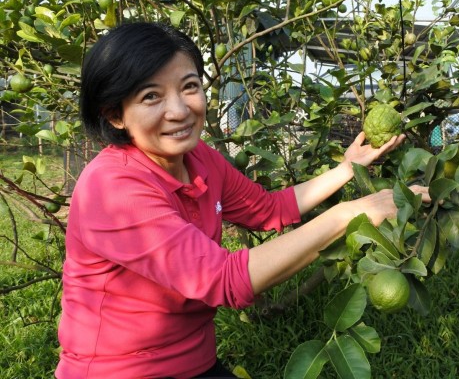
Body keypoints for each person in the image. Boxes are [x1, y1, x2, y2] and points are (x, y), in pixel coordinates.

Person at [56, 22, 430, 379]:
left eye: (188, 86)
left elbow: (267, 209)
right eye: (151, 96)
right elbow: (224, 279)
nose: (179, 110)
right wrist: (348, 216)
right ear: (114, 114)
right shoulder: (113, 187)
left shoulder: (198, 158)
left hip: (193, 362)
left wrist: (347, 169)